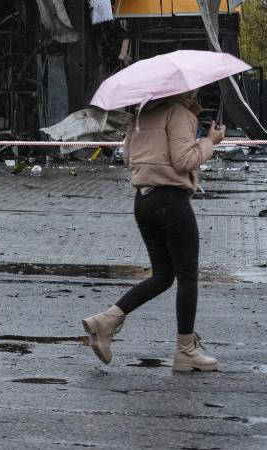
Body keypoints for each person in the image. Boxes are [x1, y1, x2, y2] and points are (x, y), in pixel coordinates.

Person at [81, 90, 225, 372]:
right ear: (189, 90)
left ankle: (107, 320)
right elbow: (184, 161)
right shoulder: (180, 114)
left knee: (162, 276)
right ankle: (186, 351)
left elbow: (127, 157)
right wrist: (209, 142)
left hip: (144, 202)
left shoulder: (142, 113)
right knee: (187, 276)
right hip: (171, 201)